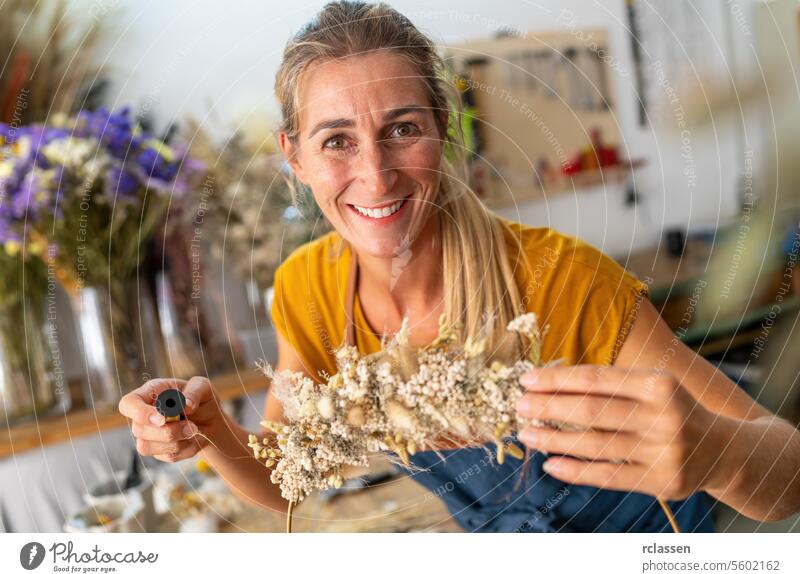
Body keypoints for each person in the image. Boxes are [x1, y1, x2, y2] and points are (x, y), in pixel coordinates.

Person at [119, 1, 800, 532]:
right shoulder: (310, 289)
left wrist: (721, 454)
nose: (376, 174)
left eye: (403, 129)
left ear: (445, 129)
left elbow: (787, 470)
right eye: (336, 141)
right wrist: (206, 430)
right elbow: (289, 479)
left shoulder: (560, 282)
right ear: (293, 159)